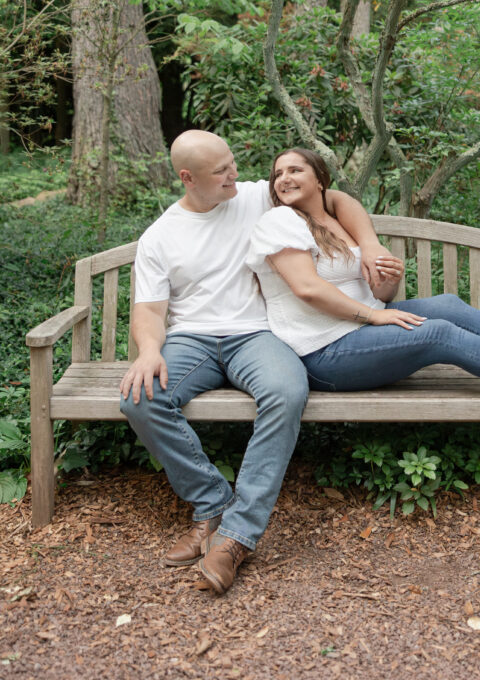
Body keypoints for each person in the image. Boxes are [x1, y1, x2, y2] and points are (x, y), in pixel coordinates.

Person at [119, 130, 390, 596]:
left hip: (258, 334)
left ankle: (236, 538)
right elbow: (148, 311)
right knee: (140, 399)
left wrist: (369, 244)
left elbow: (335, 195)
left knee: (286, 392)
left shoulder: (254, 197)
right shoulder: (159, 236)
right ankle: (212, 504)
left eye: (232, 162)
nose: (235, 174)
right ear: (189, 178)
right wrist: (149, 351)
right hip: (192, 340)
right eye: (222, 170)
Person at [246, 148, 480, 398]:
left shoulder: (334, 214)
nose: (284, 178)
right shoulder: (280, 220)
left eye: (295, 170)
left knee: (447, 305)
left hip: (362, 334)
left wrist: (385, 283)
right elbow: (308, 288)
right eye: (278, 174)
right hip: (323, 354)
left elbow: (381, 296)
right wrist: (377, 315)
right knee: (436, 333)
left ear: (320, 180)